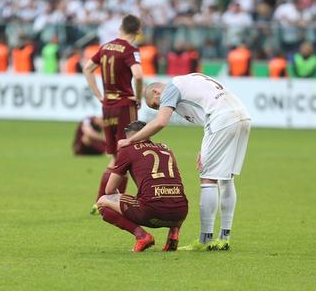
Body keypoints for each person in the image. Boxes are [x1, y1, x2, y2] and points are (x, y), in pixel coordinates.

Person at [119, 73, 251, 251]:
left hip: (221, 120)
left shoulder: (171, 88)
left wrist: (130, 140)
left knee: (208, 179)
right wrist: (205, 148)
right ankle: (224, 237)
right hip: (241, 116)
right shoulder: (190, 80)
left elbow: (160, 122)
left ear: (157, 91)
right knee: (227, 178)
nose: (160, 107)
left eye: (156, 104)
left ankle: (205, 240)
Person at [83, 14, 144, 211]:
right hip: (124, 105)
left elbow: (87, 68)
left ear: (121, 28)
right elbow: (138, 75)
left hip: (107, 106)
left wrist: (99, 95)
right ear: (138, 31)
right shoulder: (131, 50)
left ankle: (100, 201)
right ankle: (114, 201)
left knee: (114, 157)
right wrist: (139, 96)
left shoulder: (106, 46)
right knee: (126, 153)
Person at [97, 121, 188, 252]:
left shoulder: (128, 150)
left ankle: (142, 236)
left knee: (102, 202)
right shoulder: (166, 148)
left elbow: (109, 190)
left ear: (129, 137)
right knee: (173, 195)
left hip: (152, 211)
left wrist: (120, 199)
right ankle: (173, 236)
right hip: (180, 213)